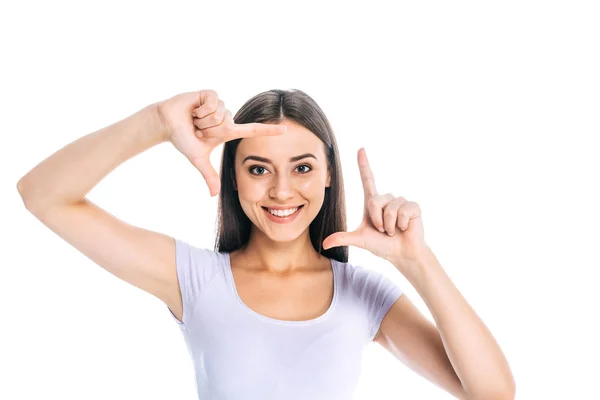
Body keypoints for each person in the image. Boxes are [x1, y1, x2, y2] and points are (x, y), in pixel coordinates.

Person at [17, 89, 515, 400]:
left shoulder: (365, 295)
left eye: (302, 167)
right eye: (258, 169)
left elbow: (493, 393)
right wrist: (156, 122)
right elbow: (42, 195)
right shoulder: (193, 279)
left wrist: (418, 261)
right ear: (232, 176)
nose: (281, 191)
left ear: (327, 177)